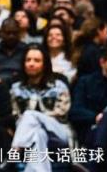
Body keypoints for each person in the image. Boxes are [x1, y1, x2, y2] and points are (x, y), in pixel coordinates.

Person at [9, 44, 72, 172]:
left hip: (58, 132)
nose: (31, 64)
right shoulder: (16, 89)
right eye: (28, 60)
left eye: (37, 60)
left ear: (45, 64)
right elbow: (15, 115)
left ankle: (15, 150)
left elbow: (61, 113)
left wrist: (36, 118)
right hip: (30, 135)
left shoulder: (58, 86)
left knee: (30, 115)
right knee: (39, 134)